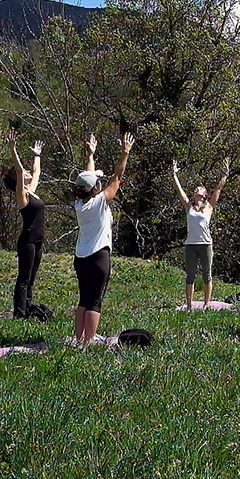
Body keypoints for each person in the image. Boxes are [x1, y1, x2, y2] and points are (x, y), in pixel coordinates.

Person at [72, 132, 134, 347]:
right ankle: (88, 343)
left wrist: (91, 155)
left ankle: (79, 340)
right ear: (95, 189)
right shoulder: (99, 202)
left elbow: (88, 178)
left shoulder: (80, 203)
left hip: (81, 257)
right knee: (95, 301)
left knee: (84, 299)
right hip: (99, 256)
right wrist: (124, 154)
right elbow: (117, 177)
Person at [171, 158, 230, 310]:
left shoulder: (209, 207)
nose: (197, 190)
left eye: (200, 189)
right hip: (191, 244)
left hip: (205, 244)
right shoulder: (189, 206)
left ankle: (206, 305)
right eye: (195, 189)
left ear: (204, 194)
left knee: (207, 275)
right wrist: (175, 175)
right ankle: (189, 305)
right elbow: (180, 191)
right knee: (190, 276)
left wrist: (225, 174)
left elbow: (218, 190)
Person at [5, 131, 45, 318]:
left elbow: (36, 172)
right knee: (23, 278)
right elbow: (21, 171)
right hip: (27, 241)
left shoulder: (33, 192)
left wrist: (37, 155)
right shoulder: (23, 196)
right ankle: (19, 314)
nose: (28, 173)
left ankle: (27, 310)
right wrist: (13, 150)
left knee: (31, 279)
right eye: (24, 174)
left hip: (38, 241)